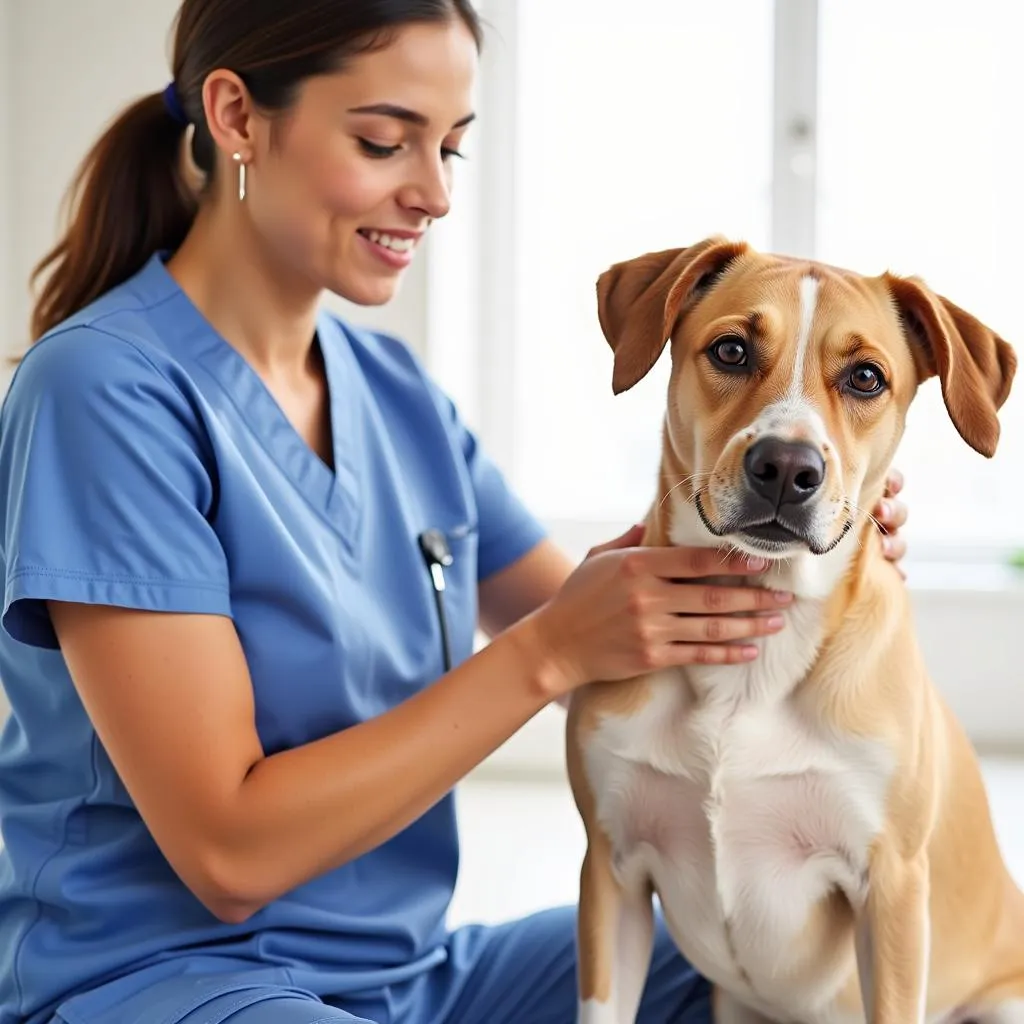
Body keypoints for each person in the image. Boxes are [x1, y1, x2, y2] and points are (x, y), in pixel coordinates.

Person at [0, 3, 910, 1023]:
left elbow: (614, 648)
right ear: (237, 118)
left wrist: (796, 538)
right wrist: (547, 651)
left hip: (410, 985)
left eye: (452, 148)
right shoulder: (101, 391)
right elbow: (227, 852)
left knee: (775, 970)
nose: (432, 193)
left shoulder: (396, 395)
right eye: (383, 141)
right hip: (163, 984)